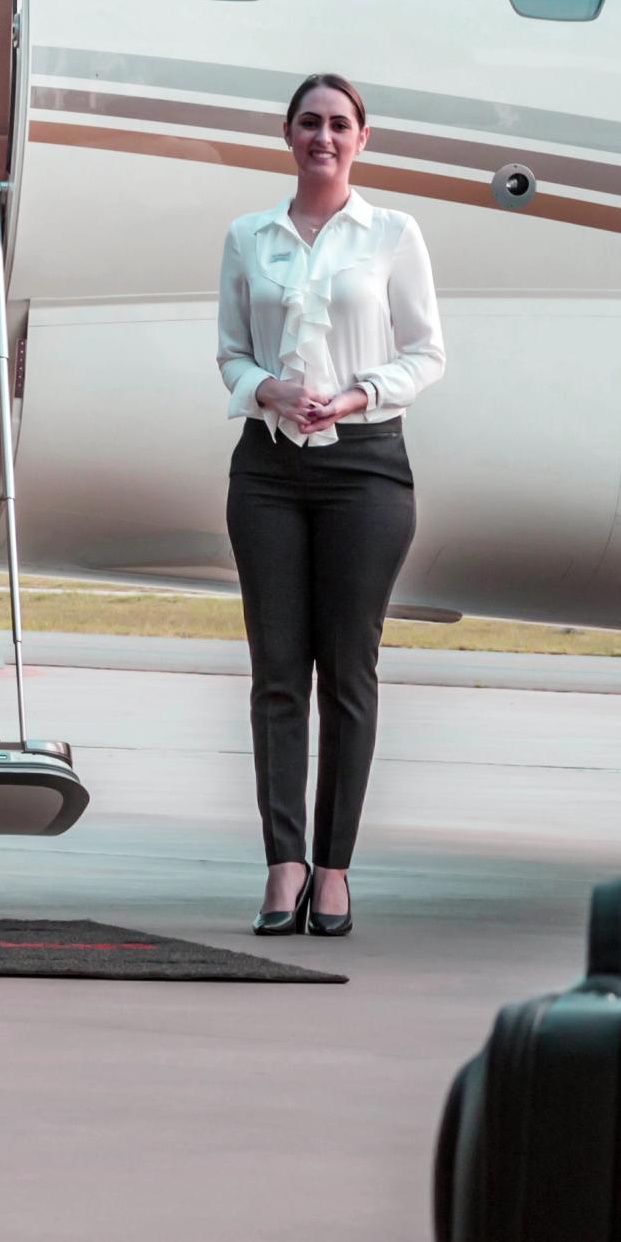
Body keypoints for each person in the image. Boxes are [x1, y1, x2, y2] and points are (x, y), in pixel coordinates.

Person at [216, 74, 446, 938]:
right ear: (286, 133)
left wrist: (356, 396)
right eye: (309, 122)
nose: (324, 135)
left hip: (367, 469)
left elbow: (427, 353)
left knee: (347, 674)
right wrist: (265, 387)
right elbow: (230, 353)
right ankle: (284, 864)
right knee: (278, 674)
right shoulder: (249, 236)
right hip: (269, 471)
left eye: (339, 124)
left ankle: (335, 868)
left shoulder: (393, 233)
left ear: (362, 138)